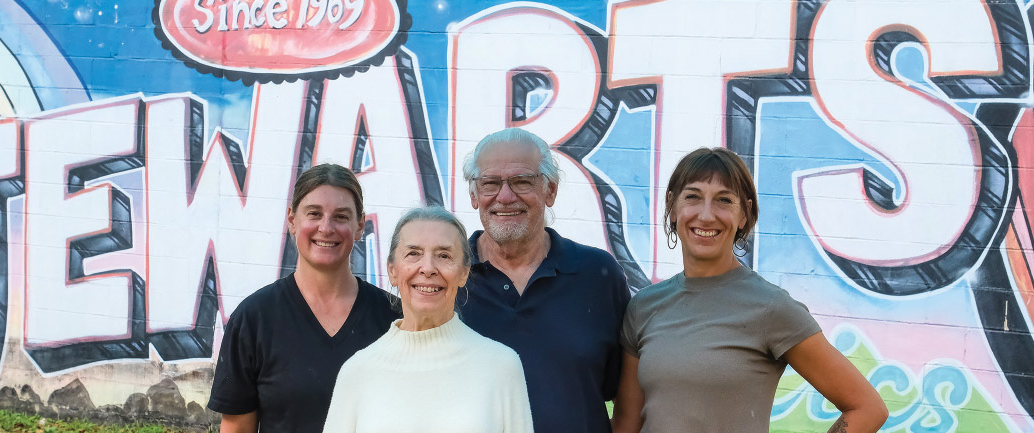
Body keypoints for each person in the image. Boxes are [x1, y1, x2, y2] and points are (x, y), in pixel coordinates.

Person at [610, 147, 888, 433]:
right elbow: (626, 424)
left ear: (744, 215)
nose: (706, 216)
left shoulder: (770, 307)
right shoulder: (644, 307)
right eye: (692, 197)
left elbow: (867, 408)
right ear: (672, 206)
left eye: (724, 200)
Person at [458, 127, 631, 433]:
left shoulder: (598, 276)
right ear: (474, 195)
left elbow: (626, 397)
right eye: (490, 183)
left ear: (550, 190)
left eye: (522, 181)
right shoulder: (448, 279)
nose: (506, 196)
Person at [208, 163, 399, 433]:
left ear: (359, 226)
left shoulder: (394, 319)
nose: (326, 227)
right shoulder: (254, 319)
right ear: (292, 220)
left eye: (341, 216)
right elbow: (237, 428)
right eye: (314, 213)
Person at [322, 205, 534, 433]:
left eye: (444, 255)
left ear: (463, 273)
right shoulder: (358, 371)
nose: (428, 268)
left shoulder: (501, 366)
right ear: (392, 270)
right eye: (413, 253)